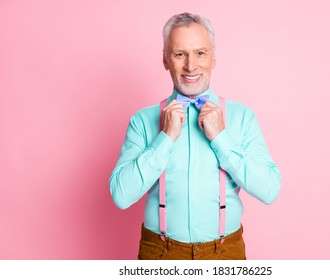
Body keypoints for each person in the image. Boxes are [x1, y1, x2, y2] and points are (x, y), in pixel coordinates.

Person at [109, 12, 281, 260]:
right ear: (166, 60)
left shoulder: (242, 117)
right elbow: (121, 196)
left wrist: (221, 138)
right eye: (180, 54)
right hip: (160, 252)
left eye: (200, 53)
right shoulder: (142, 121)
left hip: (225, 252)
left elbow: (269, 190)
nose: (191, 65)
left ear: (213, 59)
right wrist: (165, 139)